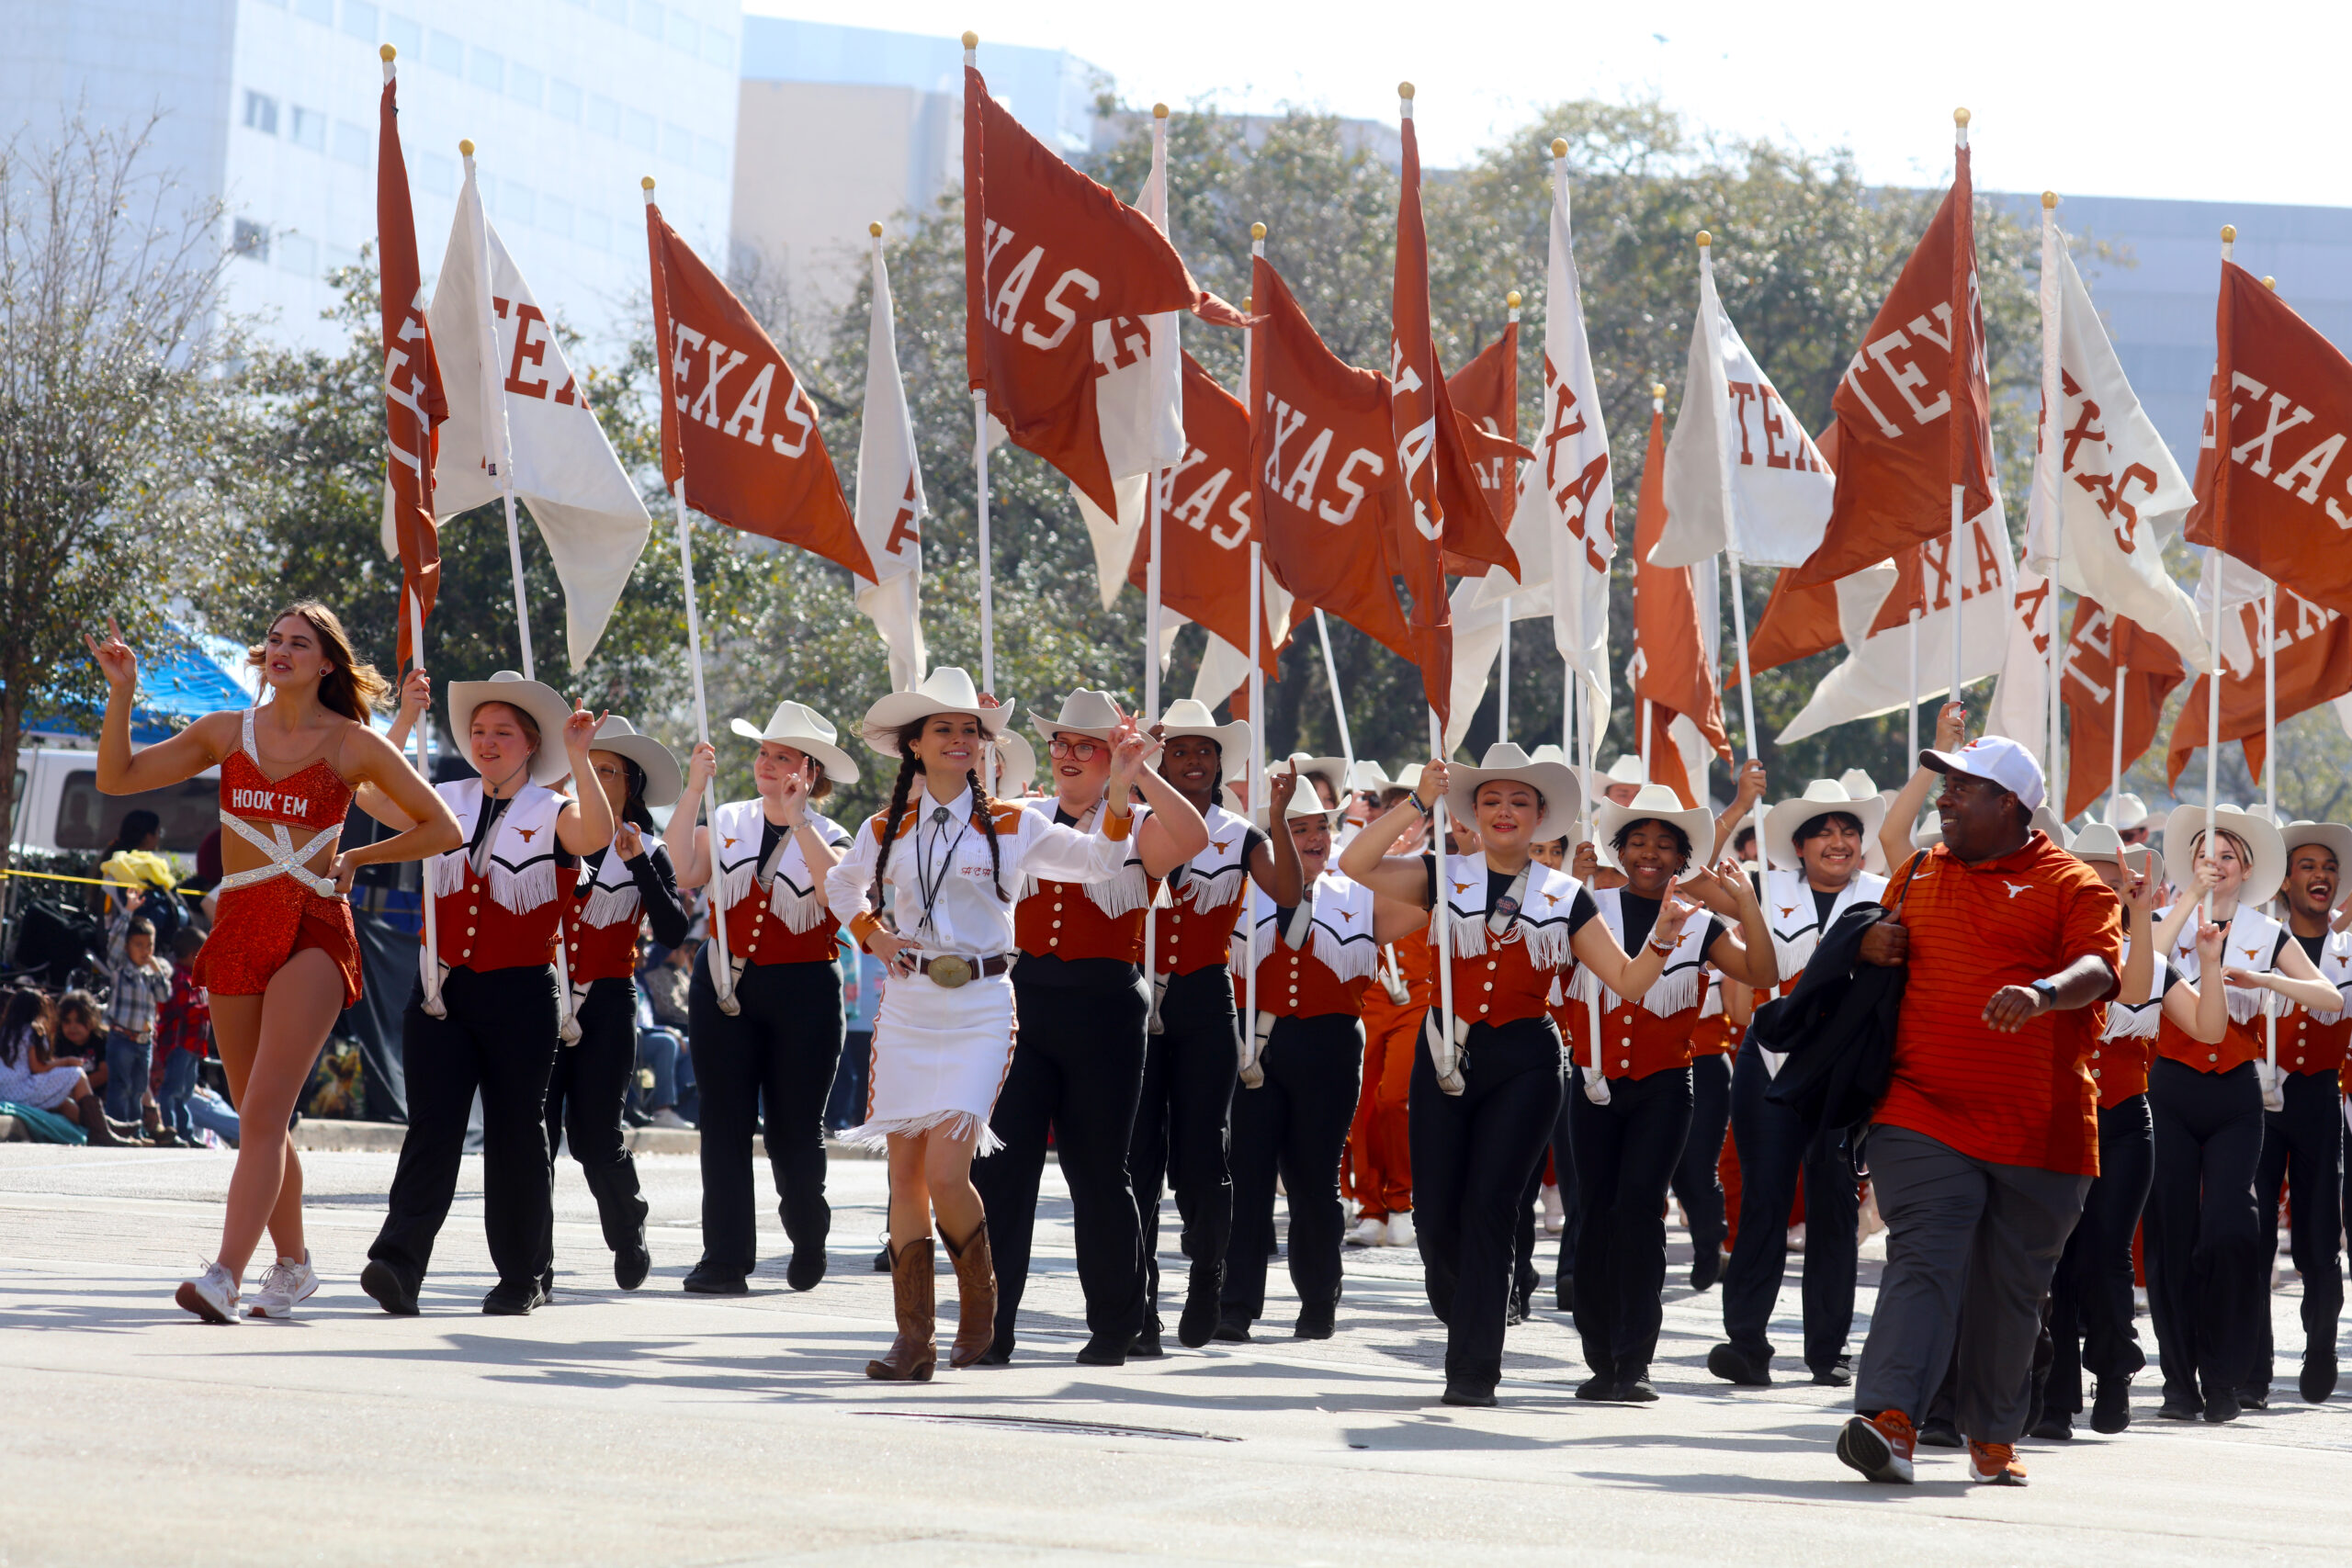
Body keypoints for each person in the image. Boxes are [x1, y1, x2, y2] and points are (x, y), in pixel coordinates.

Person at [88, 606, 459, 1321]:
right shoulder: (226, 730)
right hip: (240, 929)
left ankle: (225, 1275)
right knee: (264, 1116)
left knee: (262, 1110)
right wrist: (123, 690)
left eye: (300, 642)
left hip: (314, 926)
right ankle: (294, 1264)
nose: (282, 650)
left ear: (327, 662)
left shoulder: (353, 742)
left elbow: (441, 826)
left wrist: (360, 855)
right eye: (276, 640)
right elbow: (116, 775)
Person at [825, 668, 1178, 1382]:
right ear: (915, 745)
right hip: (909, 1006)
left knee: (948, 1172)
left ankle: (980, 1303)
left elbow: (1101, 861)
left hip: (984, 1005)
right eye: (945, 729)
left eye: (970, 729)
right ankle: (913, 1339)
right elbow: (841, 880)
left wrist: (1121, 787)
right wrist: (873, 934)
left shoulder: (1015, 823)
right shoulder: (885, 826)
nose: (961, 739)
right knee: (904, 1174)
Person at [1340, 743, 1686, 1408]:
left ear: (1540, 817)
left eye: (1519, 801)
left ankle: (1473, 1369)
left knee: (1492, 1208)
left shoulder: (1566, 894)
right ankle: (1467, 1302)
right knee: (1437, 1214)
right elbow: (1355, 864)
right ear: (1472, 813)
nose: (1504, 811)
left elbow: (1627, 980)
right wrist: (1416, 801)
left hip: (1526, 1063)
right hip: (1445, 1052)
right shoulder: (1442, 873)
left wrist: (1664, 935)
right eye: (1492, 800)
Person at [1834, 733, 2123, 1488]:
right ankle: (1890, 1419)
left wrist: (2042, 992)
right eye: (1946, 784)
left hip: (2042, 1128)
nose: (1945, 797)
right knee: (1924, 1254)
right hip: (1920, 1109)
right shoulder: (1917, 872)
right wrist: (1867, 945)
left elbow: (2099, 967)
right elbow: (1875, 962)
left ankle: (1993, 1430)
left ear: (2010, 804)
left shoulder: (2074, 884)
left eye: (1962, 787)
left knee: (2011, 1289)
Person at [362, 670, 611, 1318]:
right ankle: (397, 1263)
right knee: (432, 1128)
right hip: (440, 988)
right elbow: (370, 793)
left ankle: (523, 1274)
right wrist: (404, 719)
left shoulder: (552, 808)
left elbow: (596, 835)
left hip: (519, 993)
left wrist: (580, 759)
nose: (487, 741)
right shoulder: (444, 795)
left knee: (516, 1135)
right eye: (478, 731)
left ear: (531, 744)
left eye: (503, 731)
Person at [974, 689, 1208, 1366]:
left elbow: (1194, 837)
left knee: (1100, 1172)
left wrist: (1141, 771)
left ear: (1111, 757)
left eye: (1089, 746)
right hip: (1024, 1002)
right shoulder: (1023, 817)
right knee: (1002, 1171)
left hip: (1105, 1008)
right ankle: (992, 1326)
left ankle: (1116, 1324)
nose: (1070, 756)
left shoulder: (1140, 823)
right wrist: (980, 731)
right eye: (1062, 744)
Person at [1564, 784, 1778, 1402]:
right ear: (1619, 849)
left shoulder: (1701, 922)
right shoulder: (1586, 905)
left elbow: (1762, 972)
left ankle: (1634, 1359)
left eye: (1665, 844)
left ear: (1683, 858)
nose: (1650, 853)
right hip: (1593, 1083)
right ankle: (1599, 1355)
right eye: (1638, 841)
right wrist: (1567, 881)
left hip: (1664, 1088)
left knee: (1639, 1212)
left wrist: (1746, 903)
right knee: (1594, 1213)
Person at [2143, 807, 2342, 1421]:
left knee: (2231, 1230)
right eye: (2205, 855)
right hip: (2171, 1087)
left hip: (2236, 1091)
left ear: (2247, 868)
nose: (2217, 864)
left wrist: (2265, 979)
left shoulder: (2265, 931)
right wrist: (2188, 899)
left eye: (2228, 856)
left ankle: (2225, 1374)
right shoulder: (2169, 918)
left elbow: (2328, 997)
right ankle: (2180, 1381)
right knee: (2172, 1233)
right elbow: (2142, 965)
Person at [1221, 760, 1423, 1342]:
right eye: (1296, 828)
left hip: (1330, 1050)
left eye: (1319, 828)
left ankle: (1318, 1301)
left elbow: (1430, 901)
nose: (1312, 839)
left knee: (1315, 1182)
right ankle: (1236, 1306)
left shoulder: (1359, 894)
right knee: (1248, 1182)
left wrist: (1427, 830)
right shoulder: (1240, 892)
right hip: (1255, 1049)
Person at [2037, 824, 2225, 1438]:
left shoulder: (2145, 956)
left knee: (2107, 1253)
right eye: (2089, 875)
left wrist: (2208, 962)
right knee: (2054, 1257)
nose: (2102, 886)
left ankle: (2114, 1374)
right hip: (2056, 1119)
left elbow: (2203, 1026)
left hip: (2122, 1123)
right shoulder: (2047, 953)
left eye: (2114, 879)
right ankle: (2054, 1395)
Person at [664, 700, 859, 1295]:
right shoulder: (727, 816)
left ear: (811, 771)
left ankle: (808, 1231)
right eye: (763, 753)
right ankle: (724, 1259)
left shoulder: (833, 834)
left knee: (792, 1129)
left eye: (783, 757)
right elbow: (683, 870)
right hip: (725, 984)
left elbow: (839, 894)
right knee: (722, 1122)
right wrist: (693, 791)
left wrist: (798, 820)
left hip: (805, 991)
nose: (767, 764)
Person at [1130, 698, 1305, 1350]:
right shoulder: (1129, 822)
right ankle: (1139, 1304)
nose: (1192, 760)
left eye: (1205, 750)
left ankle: (1207, 1273)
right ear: (1160, 761)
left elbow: (1287, 892)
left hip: (1204, 999)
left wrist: (1278, 819)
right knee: (1136, 1157)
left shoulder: (1240, 834)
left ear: (1220, 763)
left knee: (1203, 1154)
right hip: (1135, 997)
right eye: (1178, 750)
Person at [1707, 775, 1889, 1390]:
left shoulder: (1886, 894)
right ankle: (1746, 1342)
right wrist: (1737, 807)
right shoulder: (1764, 885)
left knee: (1834, 1208)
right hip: (1771, 1061)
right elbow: (1695, 875)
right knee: (1764, 1200)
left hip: (1845, 1074)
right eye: (1823, 832)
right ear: (1799, 846)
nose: (1837, 842)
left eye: (1848, 831)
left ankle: (1828, 1349)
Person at [530, 713, 690, 1293]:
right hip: (540, 997)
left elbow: (673, 931)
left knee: (595, 1137)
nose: (594, 779)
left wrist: (639, 862)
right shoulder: (549, 833)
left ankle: (628, 1226)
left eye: (608, 771)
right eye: (588, 769)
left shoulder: (651, 849)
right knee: (535, 1137)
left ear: (631, 784)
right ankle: (533, 1264)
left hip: (607, 1002)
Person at [2248, 819, 2352, 1405]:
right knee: (2255, 1233)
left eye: (2330, 867)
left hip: (2319, 1103)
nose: (2321, 875)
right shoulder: (2259, 941)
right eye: (2307, 866)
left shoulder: (2349, 949)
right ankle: (2254, 1366)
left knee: (2318, 1236)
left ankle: (2321, 1346)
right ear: (2285, 881)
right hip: (2260, 1104)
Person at [1347, 783, 1432, 1250]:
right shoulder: (1358, 861)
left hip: (1417, 999)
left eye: (1411, 812)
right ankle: (1370, 1207)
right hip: (1368, 997)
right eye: (1391, 810)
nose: (1402, 821)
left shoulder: (1437, 867)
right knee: (1361, 1105)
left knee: (1394, 1098)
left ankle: (1402, 1200)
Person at [0, 987, 130, 1144]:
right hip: (21, 1090)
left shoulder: (5, 1032)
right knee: (76, 1074)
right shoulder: (32, 1031)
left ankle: (106, 1126)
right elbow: (37, 1068)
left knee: (64, 1103)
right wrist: (67, 1062)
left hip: (5, 1091)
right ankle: (101, 1132)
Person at [98, 897, 175, 1133]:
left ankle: (135, 1130)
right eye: (138, 945)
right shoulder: (122, 968)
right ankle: (118, 1128)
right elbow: (114, 942)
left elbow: (164, 995)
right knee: (120, 1086)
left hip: (144, 1042)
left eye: (149, 945)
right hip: (122, 1038)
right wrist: (128, 911)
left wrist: (157, 970)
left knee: (139, 1089)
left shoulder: (152, 972)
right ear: (127, 946)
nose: (145, 951)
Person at [152, 927, 212, 1147]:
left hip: (192, 1047)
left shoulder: (196, 979)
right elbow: (186, 1010)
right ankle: (170, 1130)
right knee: (171, 1090)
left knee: (185, 1092)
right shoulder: (181, 979)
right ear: (194, 954)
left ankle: (185, 1133)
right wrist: (212, 1009)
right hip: (179, 1045)